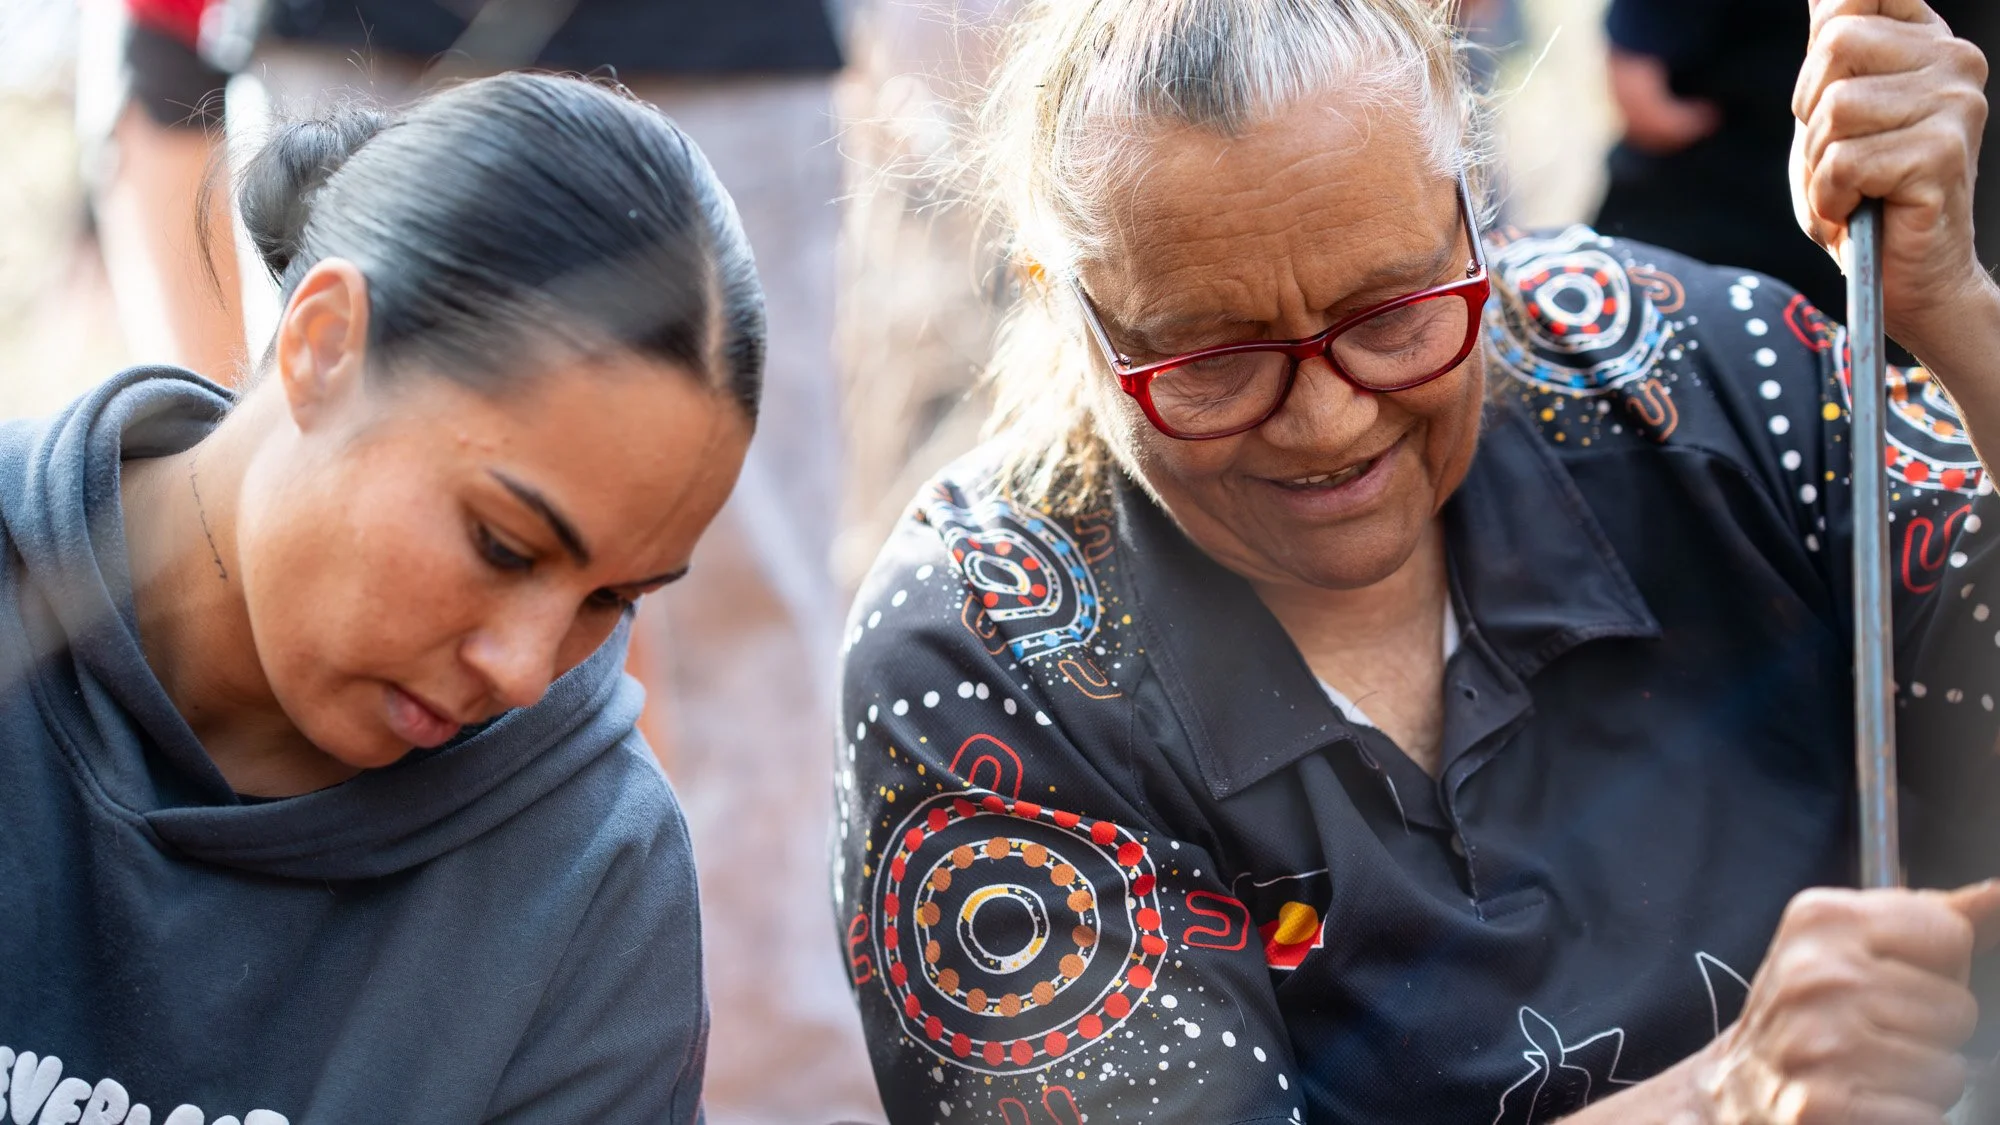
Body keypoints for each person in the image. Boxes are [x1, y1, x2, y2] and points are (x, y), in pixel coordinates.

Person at [834, 0, 2000, 1120]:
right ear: (1070, 311)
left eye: (1390, 312)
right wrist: (1716, 1100)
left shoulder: (1693, 383)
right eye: (1210, 358)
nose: (1328, 422)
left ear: (1470, 213)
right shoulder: (984, 651)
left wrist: (1950, 308)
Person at [86, 6, 878, 1118]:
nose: (519, 671)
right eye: (502, 545)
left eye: (611, 601)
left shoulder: (604, 863)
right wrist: (161, 47)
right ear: (317, 346)